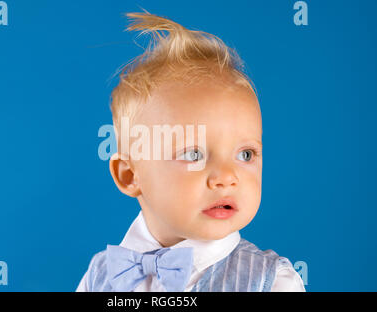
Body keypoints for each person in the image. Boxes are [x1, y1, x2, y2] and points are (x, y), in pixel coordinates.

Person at [77, 10, 305, 292]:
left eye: (245, 154)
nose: (226, 177)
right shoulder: (101, 276)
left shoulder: (270, 282)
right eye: (194, 155)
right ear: (130, 175)